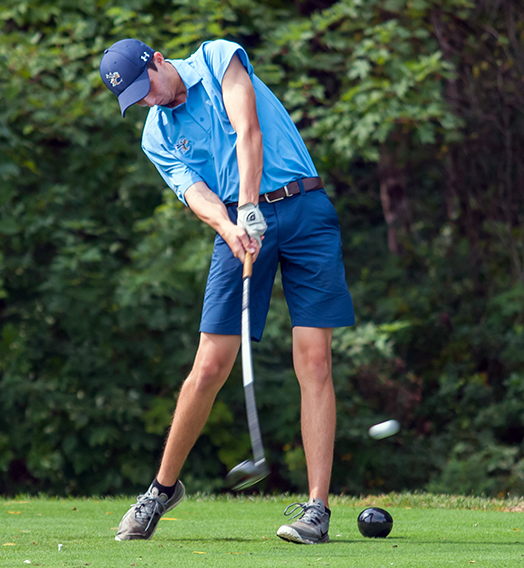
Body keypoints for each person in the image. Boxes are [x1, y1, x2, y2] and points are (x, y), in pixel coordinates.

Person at [99, 37, 355, 545]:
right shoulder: (156, 135)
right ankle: (160, 490)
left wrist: (250, 206)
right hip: (239, 224)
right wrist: (230, 225)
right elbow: (195, 191)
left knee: (314, 359)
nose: (146, 101)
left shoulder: (218, 59)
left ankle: (317, 509)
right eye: (135, 99)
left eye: (143, 87)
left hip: (302, 210)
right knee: (210, 363)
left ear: (157, 61)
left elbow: (248, 131)